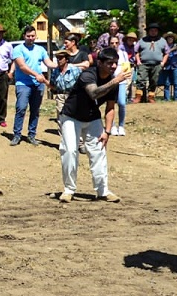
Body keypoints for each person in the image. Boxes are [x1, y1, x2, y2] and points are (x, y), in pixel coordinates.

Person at [57, 46, 128, 203]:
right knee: (70, 151)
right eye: (110, 63)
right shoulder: (88, 74)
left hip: (92, 117)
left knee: (99, 152)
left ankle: (103, 191)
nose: (114, 67)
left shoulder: (112, 81)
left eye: (116, 63)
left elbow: (110, 108)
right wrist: (115, 81)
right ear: (100, 63)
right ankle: (69, 190)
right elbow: (94, 93)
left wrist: (107, 132)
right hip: (71, 116)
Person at [10, 24, 51, 146]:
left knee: (35, 110)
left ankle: (31, 134)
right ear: (24, 36)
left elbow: (48, 62)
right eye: (28, 36)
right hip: (23, 83)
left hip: (38, 84)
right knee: (21, 108)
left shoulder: (40, 49)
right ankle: (17, 135)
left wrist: (62, 64)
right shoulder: (18, 49)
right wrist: (36, 75)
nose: (31, 38)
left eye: (33, 36)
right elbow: (22, 66)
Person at [135, 23, 168, 102]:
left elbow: (167, 53)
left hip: (157, 64)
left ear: (157, 32)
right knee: (141, 80)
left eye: (155, 31)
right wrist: (138, 61)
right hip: (143, 64)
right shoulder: (142, 40)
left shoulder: (163, 41)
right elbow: (136, 51)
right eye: (151, 30)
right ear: (148, 31)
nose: (153, 32)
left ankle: (151, 97)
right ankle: (138, 97)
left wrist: (163, 62)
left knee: (154, 81)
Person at [109, 33, 134, 135]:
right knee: (111, 105)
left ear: (119, 43)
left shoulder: (123, 54)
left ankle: (121, 126)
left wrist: (124, 76)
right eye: (112, 43)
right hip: (111, 82)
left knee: (122, 103)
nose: (114, 45)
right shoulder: (107, 54)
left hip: (122, 82)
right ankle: (112, 125)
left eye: (116, 43)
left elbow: (127, 67)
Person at [160, 31, 177, 101]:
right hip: (166, 66)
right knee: (166, 83)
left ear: (173, 38)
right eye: (168, 37)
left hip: (176, 66)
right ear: (166, 38)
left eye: (171, 37)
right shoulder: (163, 46)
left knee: (176, 83)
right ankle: (167, 98)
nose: (170, 38)